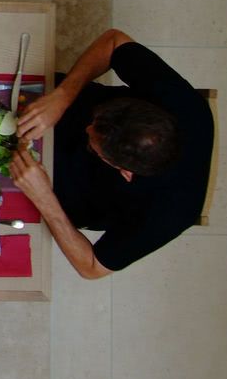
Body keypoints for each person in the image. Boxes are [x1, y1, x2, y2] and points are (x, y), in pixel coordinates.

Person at [11, 29, 213, 279]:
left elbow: (92, 267)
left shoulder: (171, 213)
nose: (88, 128)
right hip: (54, 102)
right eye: (95, 122)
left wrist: (44, 199)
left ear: (125, 173)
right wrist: (63, 97)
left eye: (93, 139)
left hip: (56, 190)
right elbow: (114, 42)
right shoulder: (185, 105)